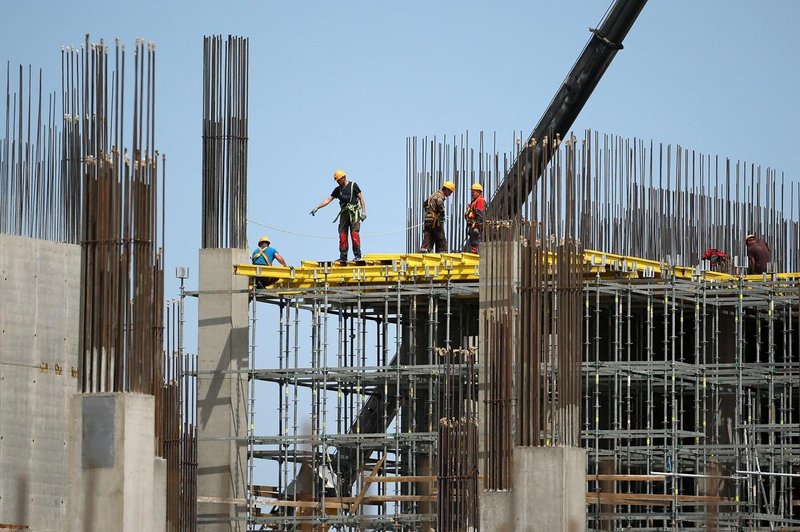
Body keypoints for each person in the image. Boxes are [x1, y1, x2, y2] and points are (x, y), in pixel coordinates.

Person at [310, 169, 367, 262]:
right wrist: (317, 207)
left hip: (354, 213)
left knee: (354, 234)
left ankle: (358, 255)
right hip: (344, 213)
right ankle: (343, 257)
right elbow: (328, 199)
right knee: (342, 235)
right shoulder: (338, 190)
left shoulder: (353, 185)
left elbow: (361, 198)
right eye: (336, 180)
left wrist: (364, 211)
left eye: (338, 180)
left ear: (343, 178)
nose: (337, 181)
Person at [420, 181, 455, 253]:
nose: (450, 194)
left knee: (428, 236)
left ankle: (424, 249)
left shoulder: (433, 195)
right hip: (434, 220)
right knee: (440, 236)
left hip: (428, 219)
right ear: (446, 189)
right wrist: (442, 215)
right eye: (450, 192)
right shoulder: (440, 196)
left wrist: (430, 210)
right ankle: (442, 252)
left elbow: (424, 204)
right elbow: (439, 203)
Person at [464, 183, 485, 253]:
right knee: (472, 236)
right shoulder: (473, 201)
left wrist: (477, 225)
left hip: (475, 223)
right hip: (472, 223)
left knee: (476, 235)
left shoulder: (480, 200)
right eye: (472, 192)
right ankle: (474, 251)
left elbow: (480, 214)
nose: (472, 193)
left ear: (479, 192)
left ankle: (476, 251)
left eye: (474, 192)